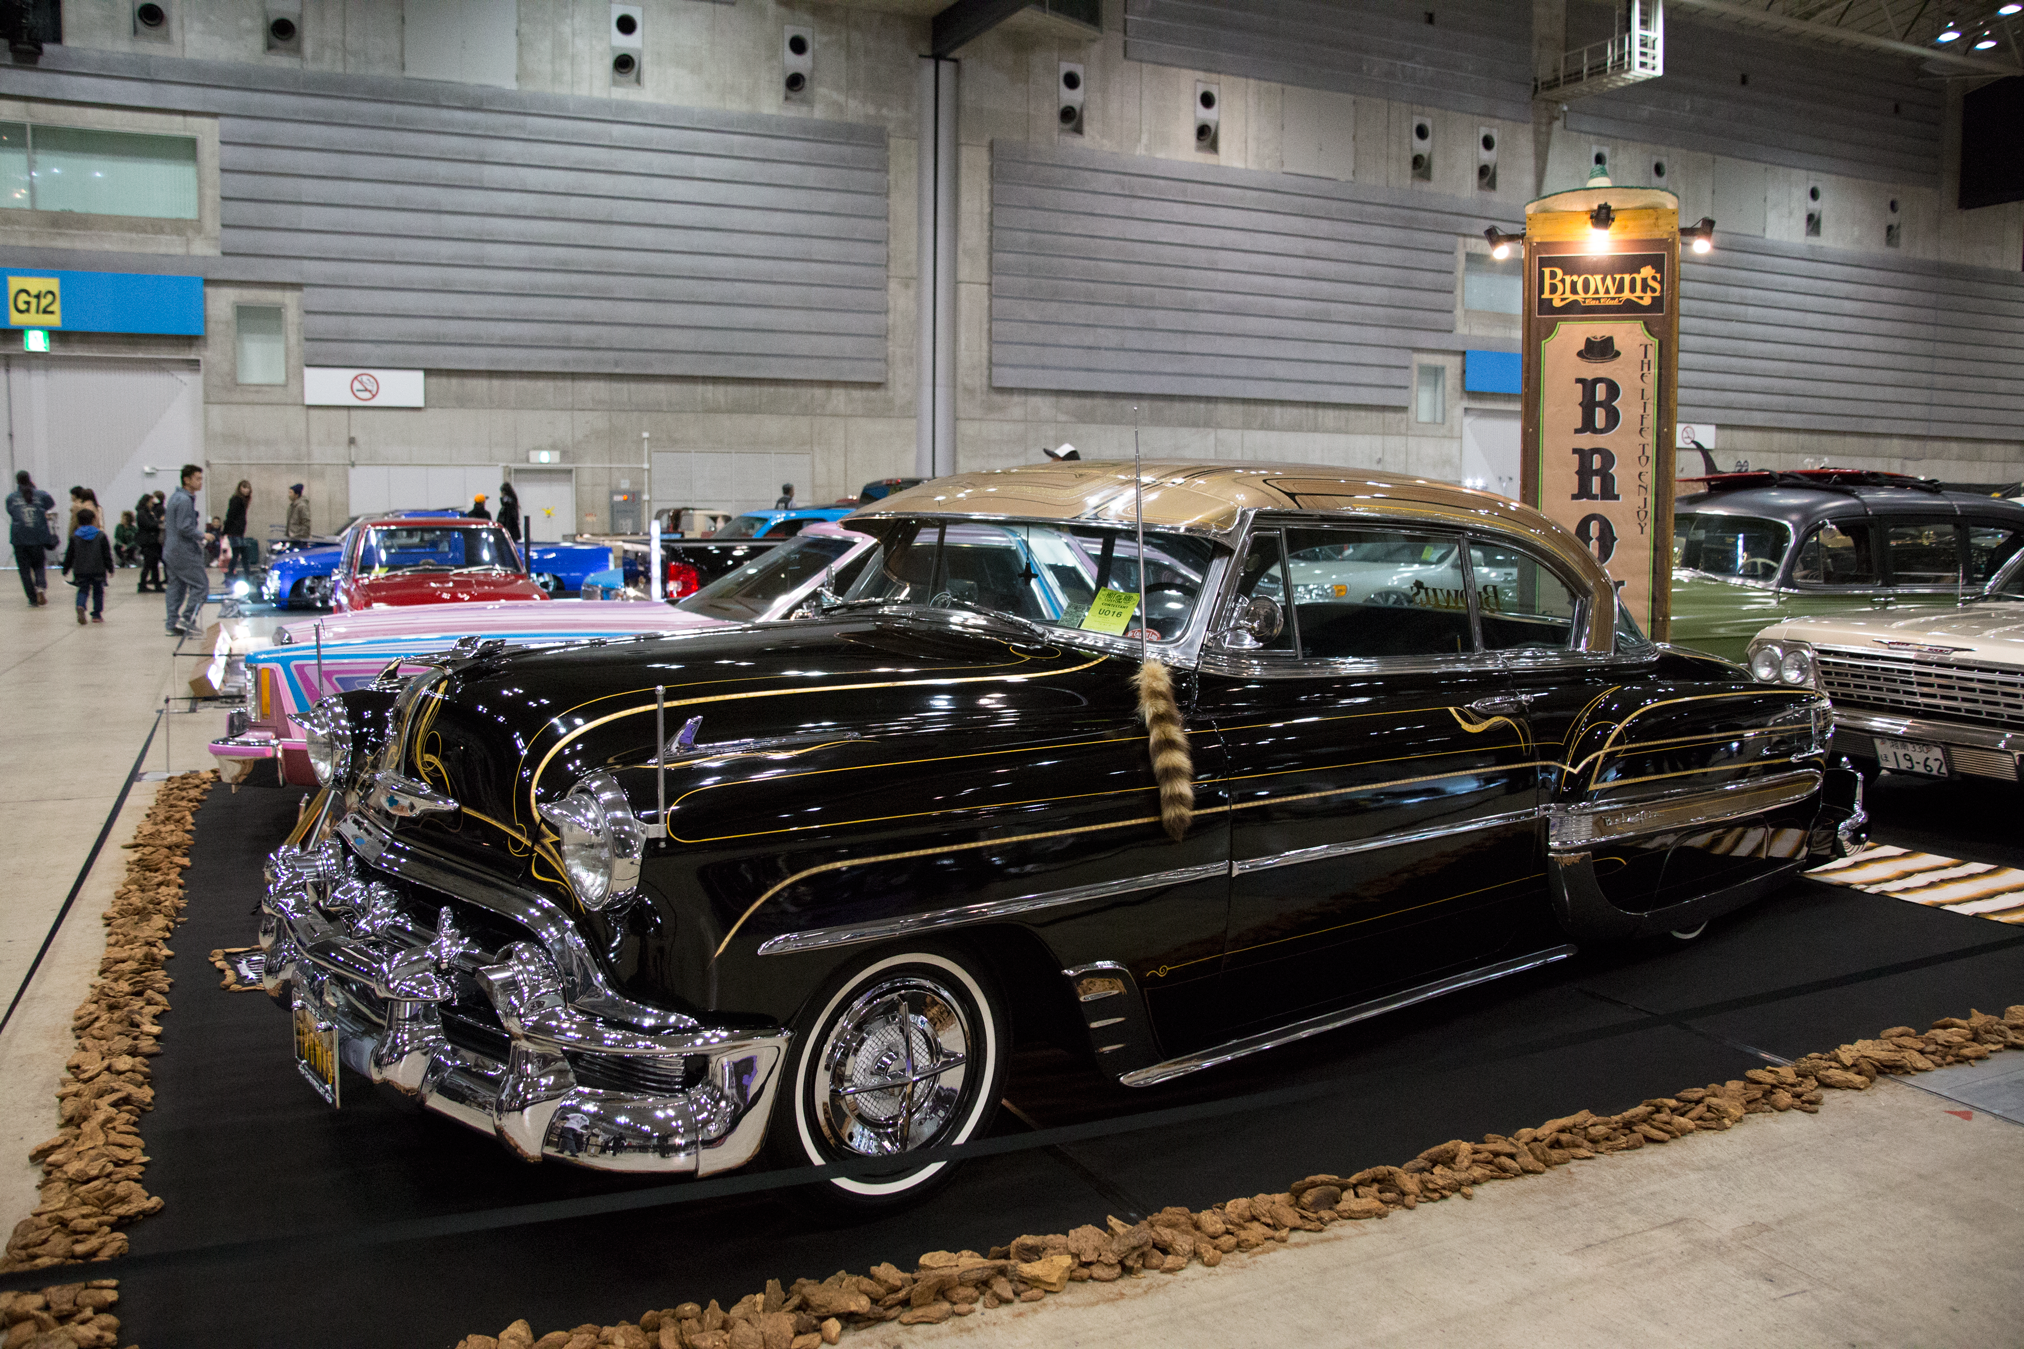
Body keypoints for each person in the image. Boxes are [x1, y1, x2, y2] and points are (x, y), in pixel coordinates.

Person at [163, 464, 210, 637]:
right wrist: (202, 536)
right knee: (201, 586)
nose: (200, 482)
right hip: (183, 552)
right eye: (197, 478)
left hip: (171, 550)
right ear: (186, 480)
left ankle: (171, 624)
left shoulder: (175, 497)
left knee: (176, 587)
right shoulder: (184, 500)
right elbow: (184, 528)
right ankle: (187, 619)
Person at [8, 469, 56, 605]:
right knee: (39, 565)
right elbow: (50, 504)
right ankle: (40, 587)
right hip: (37, 538)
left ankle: (32, 598)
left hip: (19, 539)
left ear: (17, 481)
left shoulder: (12, 498)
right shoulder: (41, 495)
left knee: (24, 571)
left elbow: (11, 512)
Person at [61, 506, 112, 624]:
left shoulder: (75, 537)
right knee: (98, 591)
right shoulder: (100, 536)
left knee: (83, 590)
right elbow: (106, 553)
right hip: (98, 568)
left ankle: (80, 605)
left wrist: (66, 568)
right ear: (94, 519)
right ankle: (97, 615)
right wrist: (110, 567)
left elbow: (70, 554)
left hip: (80, 569)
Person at [220, 479, 255, 580]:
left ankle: (239, 573)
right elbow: (230, 515)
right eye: (244, 487)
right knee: (238, 554)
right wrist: (225, 530)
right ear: (240, 488)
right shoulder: (236, 500)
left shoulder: (242, 500)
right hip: (234, 531)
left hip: (238, 531)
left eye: (248, 488)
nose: (246, 490)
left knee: (241, 554)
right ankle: (234, 573)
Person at [135, 492, 165, 593]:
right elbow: (148, 525)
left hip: (153, 541)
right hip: (148, 542)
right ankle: (143, 584)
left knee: (153, 564)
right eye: (151, 502)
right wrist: (158, 522)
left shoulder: (149, 512)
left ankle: (156, 584)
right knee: (148, 564)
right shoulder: (142, 513)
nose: (152, 505)